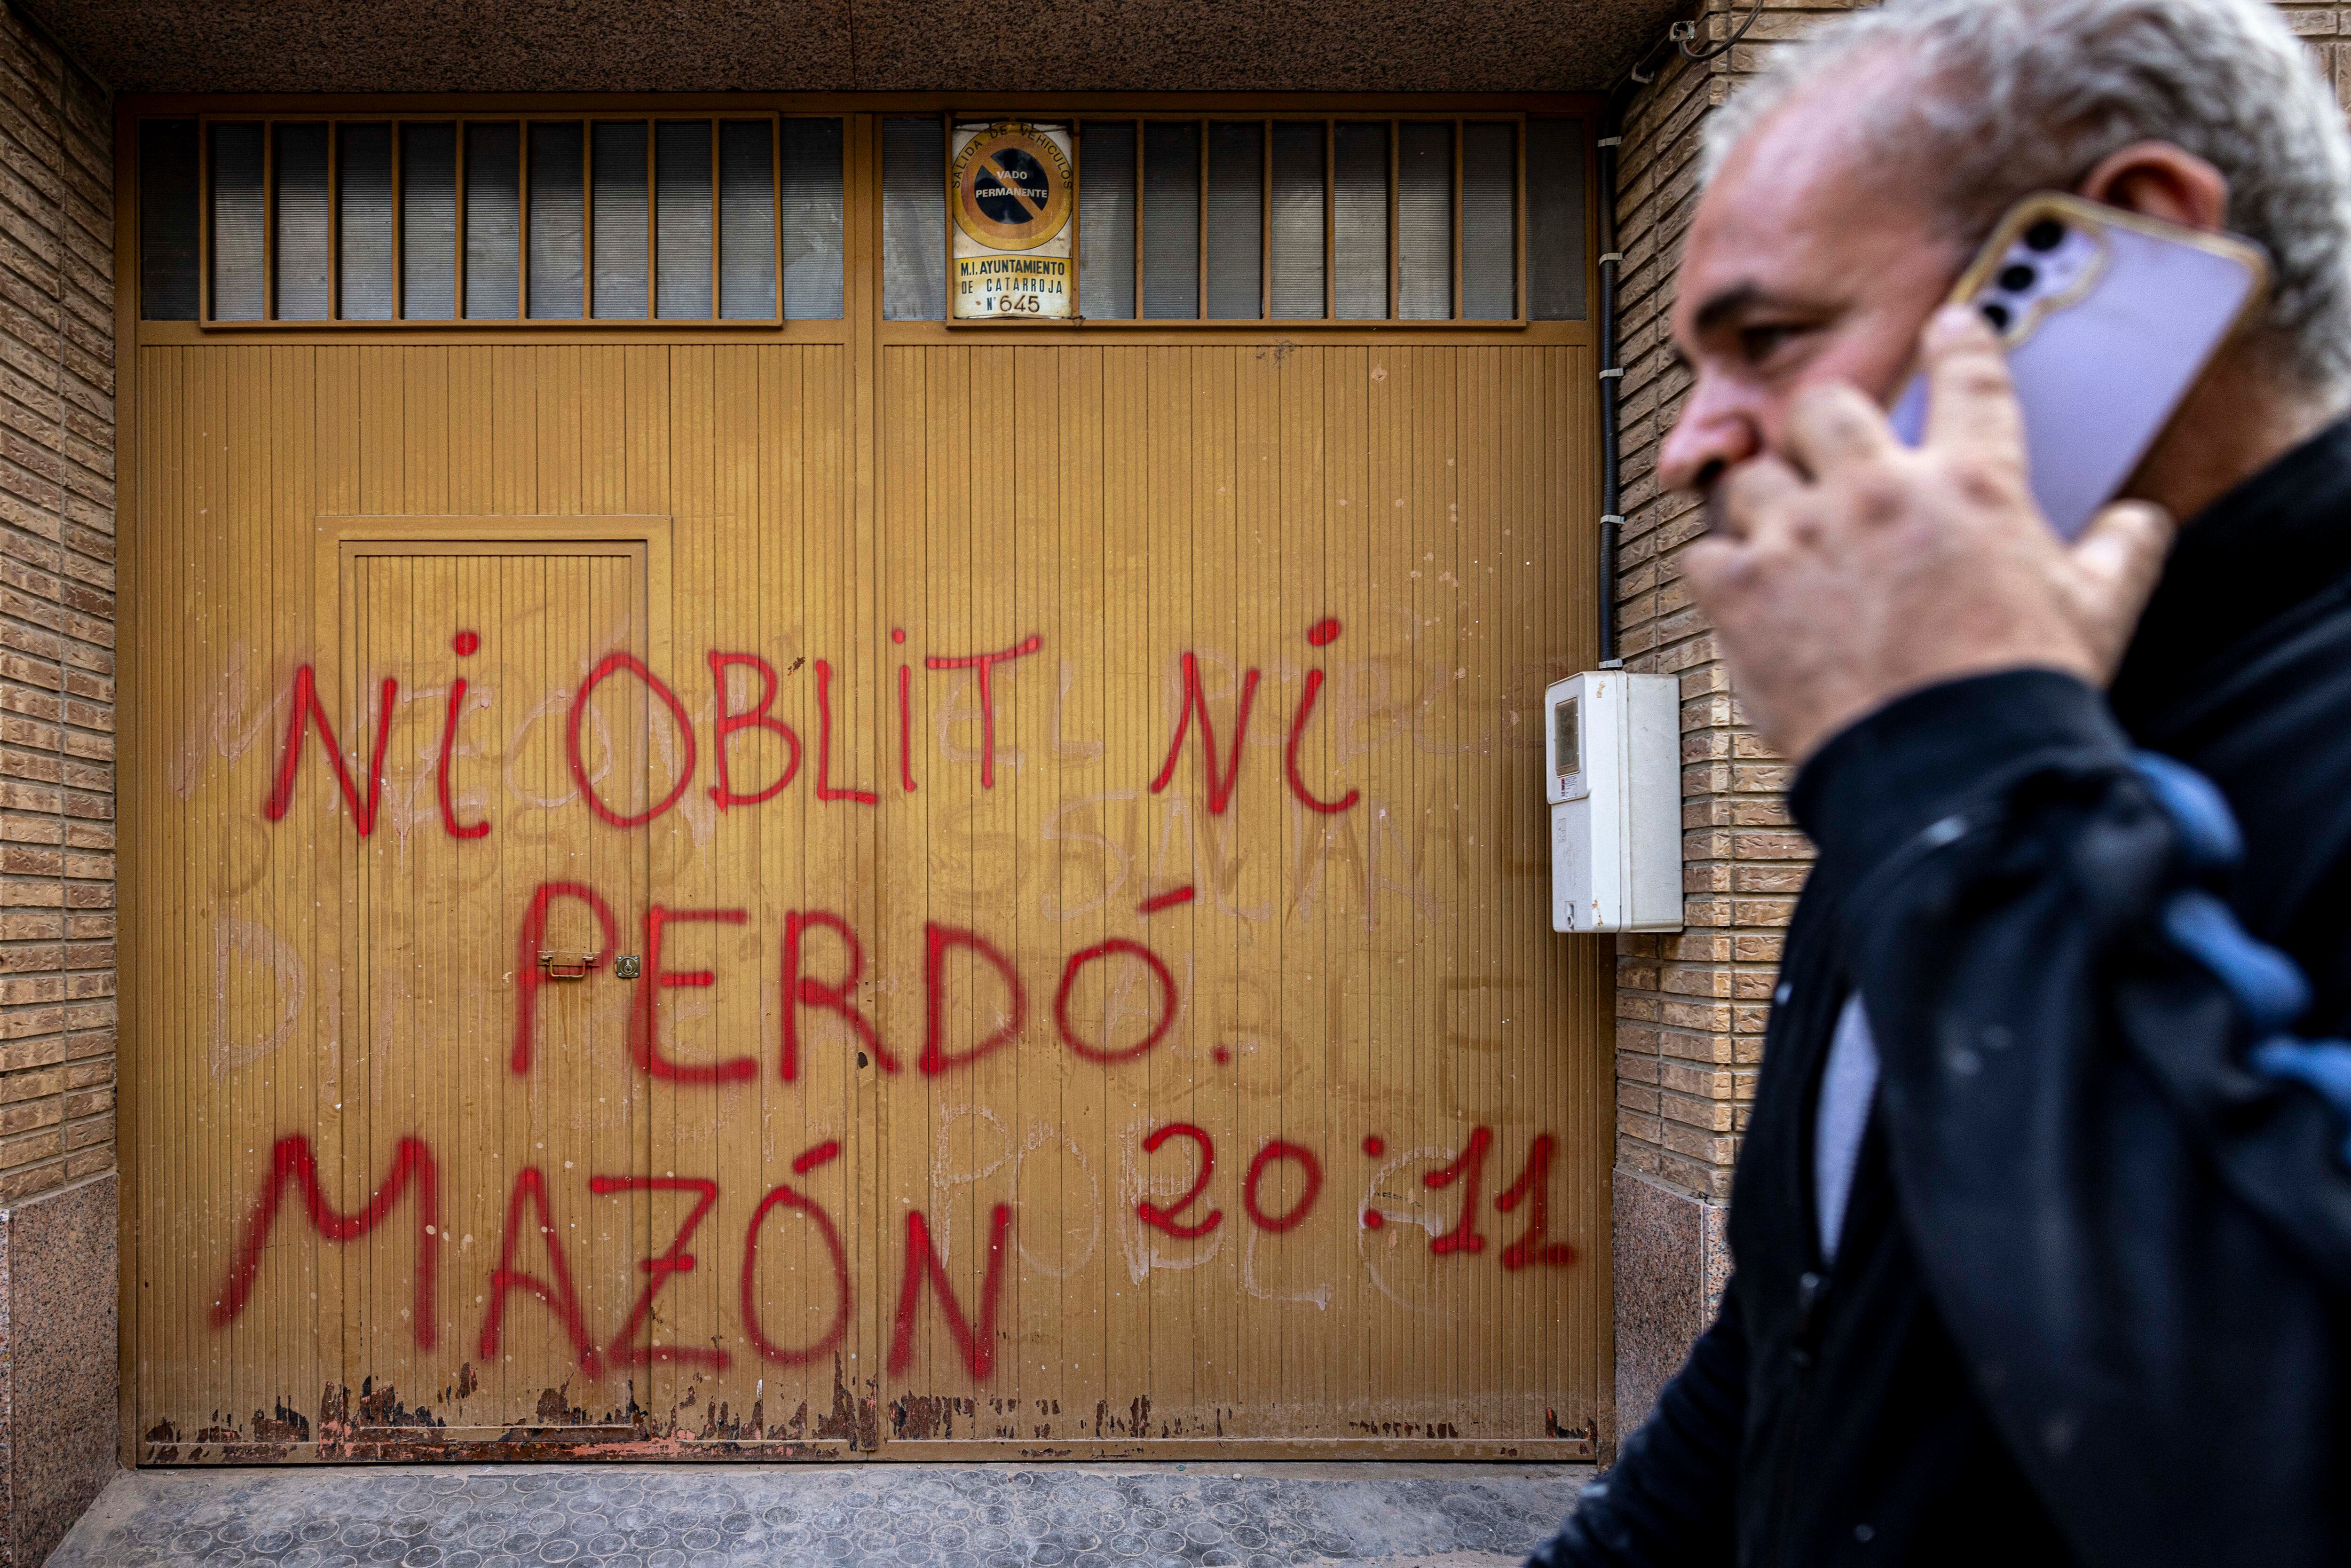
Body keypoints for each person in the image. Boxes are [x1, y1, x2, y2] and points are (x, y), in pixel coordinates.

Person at [1531, 0, 2351, 1563]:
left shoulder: (1952, 739)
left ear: (2116, 257)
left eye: (1767, 340)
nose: (1686, 445)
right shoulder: (1939, 725)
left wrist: (1962, 760)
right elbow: (1794, 1339)